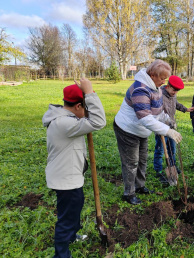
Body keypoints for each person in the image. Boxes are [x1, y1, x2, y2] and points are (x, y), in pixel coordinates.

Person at [42, 78, 106, 257]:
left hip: (68, 177)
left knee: (75, 208)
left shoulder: (65, 117)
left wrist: (87, 95)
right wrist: (90, 93)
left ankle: (71, 236)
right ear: (78, 106)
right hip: (65, 181)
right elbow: (99, 122)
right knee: (66, 219)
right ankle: (61, 254)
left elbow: (92, 119)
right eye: (85, 108)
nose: (87, 112)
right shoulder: (65, 124)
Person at [113, 59, 183, 205]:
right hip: (128, 129)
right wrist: (167, 131)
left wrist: (167, 119)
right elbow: (146, 118)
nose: (164, 82)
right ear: (152, 75)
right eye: (162, 78)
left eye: (165, 78)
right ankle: (129, 193)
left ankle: (140, 186)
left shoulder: (155, 88)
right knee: (131, 162)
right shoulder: (140, 89)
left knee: (142, 159)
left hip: (141, 130)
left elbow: (156, 111)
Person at [154, 75, 194, 185]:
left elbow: (176, 104)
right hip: (161, 127)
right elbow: (157, 111)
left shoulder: (173, 95)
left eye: (177, 91)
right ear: (168, 86)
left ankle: (172, 166)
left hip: (171, 126)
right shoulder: (159, 94)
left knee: (172, 148)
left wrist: (185, 109)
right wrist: (163, 125)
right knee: (160, 149)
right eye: (174, 90)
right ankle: (158, 170)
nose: (175, 93)